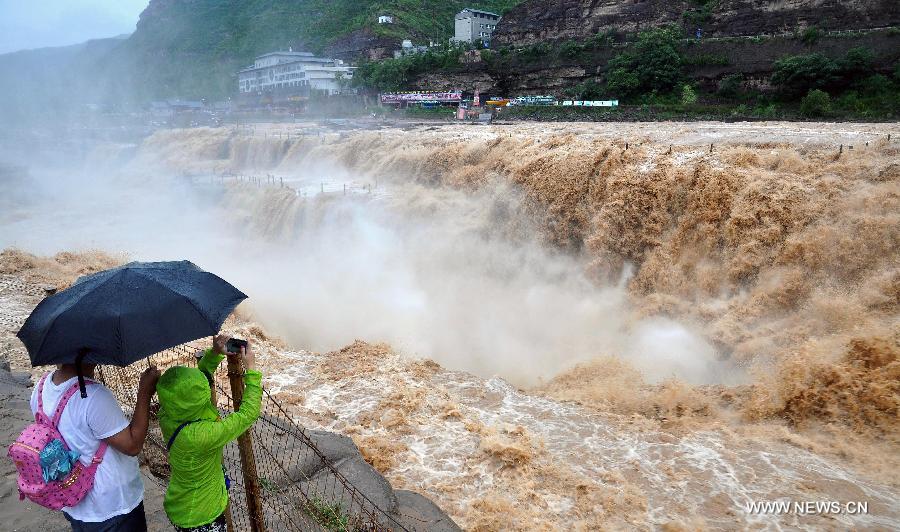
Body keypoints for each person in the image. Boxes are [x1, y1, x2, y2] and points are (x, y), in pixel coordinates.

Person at [30, 361, 160, 531]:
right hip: (112, 506)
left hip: (74, 499)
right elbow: (132, 445)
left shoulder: (41, 388)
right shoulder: (93, 395)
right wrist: (144, 393)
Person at [157, 335, 262, 531]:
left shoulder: (168, 414)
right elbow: (247, 414)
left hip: (181, 504)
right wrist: (252, 371)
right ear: (199, 397)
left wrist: (214, 353)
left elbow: (194, 385)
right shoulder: (202, 435)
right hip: (202, 517)